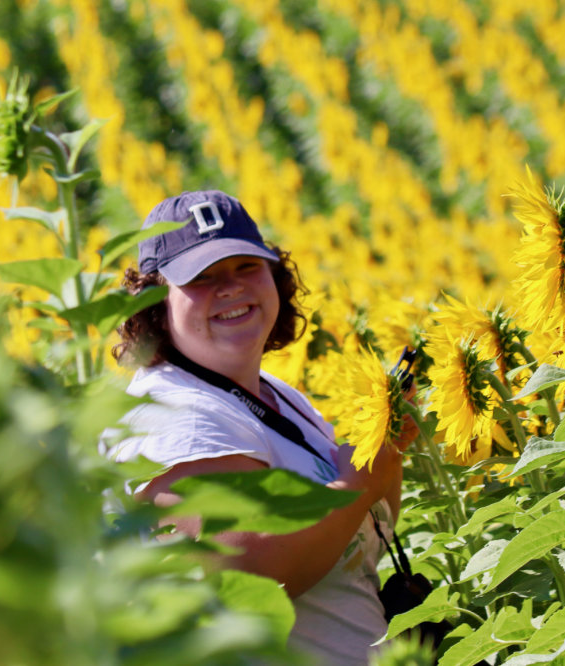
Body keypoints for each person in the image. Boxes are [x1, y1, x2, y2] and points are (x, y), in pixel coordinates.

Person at [103, 190, 416, 665]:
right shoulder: (172, 416)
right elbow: (253, 575)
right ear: (155, 302)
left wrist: (385, 449)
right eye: (201, 278)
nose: (230, 288)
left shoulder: (276, 395)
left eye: (245, 266)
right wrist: (359, 478)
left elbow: (369, 529)